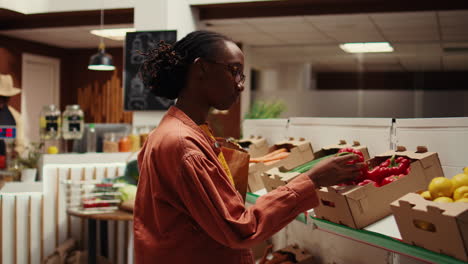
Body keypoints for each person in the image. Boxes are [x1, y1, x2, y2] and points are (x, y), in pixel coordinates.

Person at [134, 30, 364, 264]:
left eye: (242, 76)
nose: (240, 85)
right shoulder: (184, 144)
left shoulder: (174, 131)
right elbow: (241, 228)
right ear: (201, 68)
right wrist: (312, 180)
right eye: (234, 71)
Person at [0, 74, 25, 167]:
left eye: (5, 98)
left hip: (6, 166)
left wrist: (16, 152)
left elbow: (20, 144)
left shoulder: (16, 116)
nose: (2, 100)